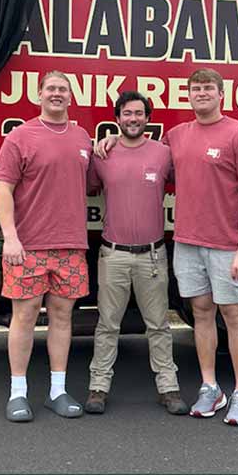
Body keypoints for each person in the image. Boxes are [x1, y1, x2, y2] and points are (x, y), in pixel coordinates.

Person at [97, 68, 238, 426]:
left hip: (225, 245)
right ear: (187, 95)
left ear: (221, 93)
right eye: (195, 89)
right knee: (201, 314)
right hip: (187, 243)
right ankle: (209, 388)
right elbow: (142, 155)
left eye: (208, 88)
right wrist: (110, 140)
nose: (201, 93)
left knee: (234, 317)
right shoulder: (177, 136)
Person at [0, 70, 92, 423]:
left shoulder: (82, 137)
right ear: (39, 95)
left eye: (63, 89)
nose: (57, 94)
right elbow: (2, 187)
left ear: (70, 96)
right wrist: (11, 237)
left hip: (71, 246)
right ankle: (18, 393)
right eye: (51, 88)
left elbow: (93, 179)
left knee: (63, 317)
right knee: (25, 315)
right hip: (28, 246)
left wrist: (107, 146)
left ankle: (57, 391)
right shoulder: (20, 137)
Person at [84, 91, 188, 416]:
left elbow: (191, 181)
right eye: (127, 113)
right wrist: (99, 144)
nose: (133, 119)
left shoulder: (162, 154)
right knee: (107, 325)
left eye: (139, 113)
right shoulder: (103, 154)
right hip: (112, 254)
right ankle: (98, 387)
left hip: (152, 256)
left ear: (148, 118)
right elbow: (85, 186)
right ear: (117, 118)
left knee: (158, 324)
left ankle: (168, 387)